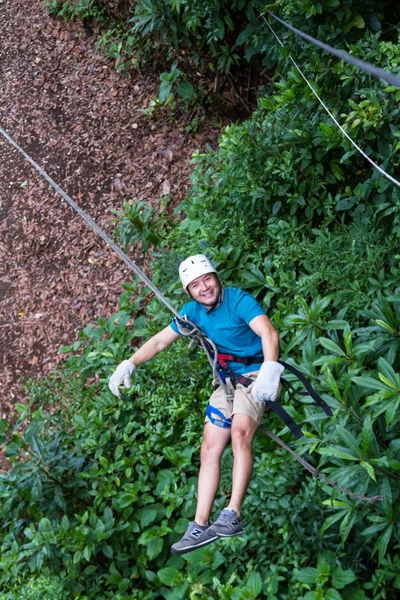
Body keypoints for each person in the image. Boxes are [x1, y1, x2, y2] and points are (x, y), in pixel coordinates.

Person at [109, 254, 284, 555]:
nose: (204, 287)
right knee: (210, 446)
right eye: (195, 285)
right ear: (188, 291)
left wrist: (270, 369)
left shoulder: (238, 300)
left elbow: (268, 332)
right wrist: (129, 363)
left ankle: (232, 514)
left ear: (217, 278)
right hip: (226, 382)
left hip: (256, 374)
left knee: (240, 432)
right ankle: (200, 525)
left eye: (207, 279)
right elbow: (159, 342)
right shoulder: (192, 313)